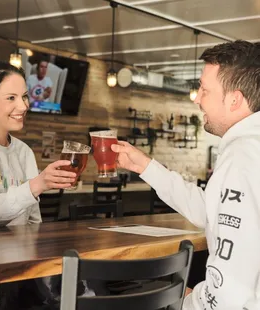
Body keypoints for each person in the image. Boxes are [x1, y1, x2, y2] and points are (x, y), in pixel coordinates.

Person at [111, 40, 260, 310]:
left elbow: (232, 291)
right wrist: (146, 167)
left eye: (205, 89)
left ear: (235, 99)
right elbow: (208, 210)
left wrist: (189, 300)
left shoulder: (242, 156)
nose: (197, 98)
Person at [0, 55, 76, 308]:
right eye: (11, 98)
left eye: (25, 96)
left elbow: (32, 223)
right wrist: (35, 186)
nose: (23, 106)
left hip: (16, 271)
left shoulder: (23, 152)